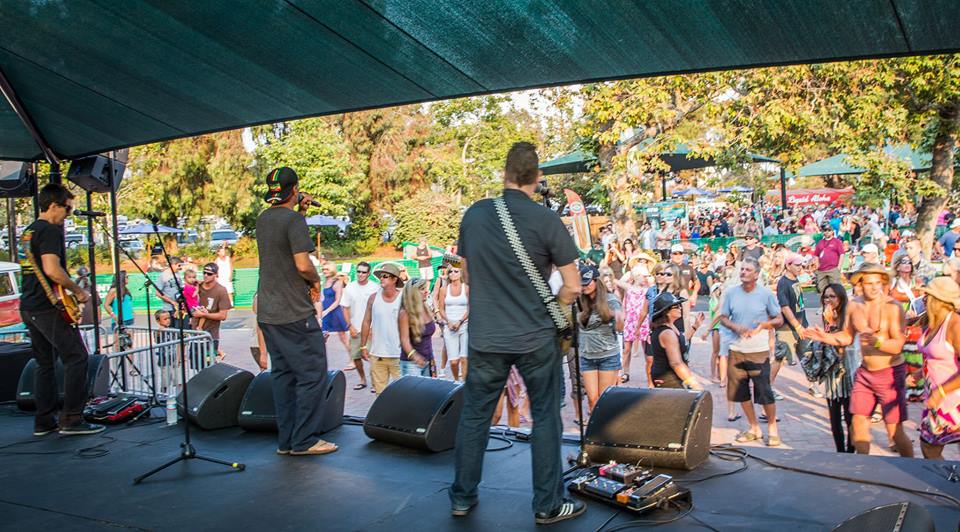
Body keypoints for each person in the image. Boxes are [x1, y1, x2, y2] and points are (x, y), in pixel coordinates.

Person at [450, 142, 584, 524]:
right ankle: (548, 504)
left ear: (505, 174)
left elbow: (468, 274)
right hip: (535, 338)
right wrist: (553, 308)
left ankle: (462, 496)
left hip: (486, 337)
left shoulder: (474, 215)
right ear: (537, 177)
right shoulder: (545, 220)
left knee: (475, 416)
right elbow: (573, 286)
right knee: (545, 416)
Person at [255, 166, 337, 456]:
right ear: (295, 189)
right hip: (293, 312)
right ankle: (304, 440)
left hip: (268, 311)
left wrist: (299, 211)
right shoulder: (293, 221)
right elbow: (302, 264)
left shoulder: (264, 219)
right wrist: (315, 281)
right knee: (313, 374)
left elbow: (283, 239)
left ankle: (287, 441)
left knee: (284, 375)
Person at [18, 183, 101, 436]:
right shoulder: (50, 231)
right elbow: (52, 270)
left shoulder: (29, 232)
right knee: (76, 357)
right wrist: (79, 291)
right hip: (46, 307)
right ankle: (72, 419)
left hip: (29, 305)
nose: (68, 214)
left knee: (45, 364)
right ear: (54, 205)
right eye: (67, 208)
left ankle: (44, 422)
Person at [805, 262, 912, 457]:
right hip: (865, 372)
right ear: (860, 283)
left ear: (883, 283)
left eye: (877, 283)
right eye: (868, 283)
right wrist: (825, 337)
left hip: (889, 373)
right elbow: (847, 336)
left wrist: (877, 342)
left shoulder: (893, 307)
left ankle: (913, 469)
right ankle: (863, 468)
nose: (873, 287)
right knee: (857, 425)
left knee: (894, 431)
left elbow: (897, 346)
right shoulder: (854, 305)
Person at [719, 258, 783, 447]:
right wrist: (736, 327)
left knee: (764, 391)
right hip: (736, 349)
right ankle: (754, 427)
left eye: (748, 269)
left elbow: (778, 319)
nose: (744, 272)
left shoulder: (765, 294)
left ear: (756, 274)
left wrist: (765, 325)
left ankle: (772, 428)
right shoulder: (731, 293)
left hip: (759, 351)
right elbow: (722, 317)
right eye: (742, 269)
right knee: (741, 392)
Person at [914, 277, 960, 459]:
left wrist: (941, 391)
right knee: (928, 447)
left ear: (940, 301)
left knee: (929, 446)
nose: (924, 298)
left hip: (952, 398)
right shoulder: (933, 321)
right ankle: (947, 483)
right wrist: (918, 374)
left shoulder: (955, 325)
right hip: (936, 397)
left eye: (928, 295)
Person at [810, 284, 858, 452]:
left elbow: (843, 340)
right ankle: (840, 451)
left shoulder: (848, 313)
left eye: (832, 296)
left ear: (841, 297)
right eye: (826, 297)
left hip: (847, 370)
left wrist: (830, 324)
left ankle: (851, 452)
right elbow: (827, 341)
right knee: (834, 416)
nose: (828, 300)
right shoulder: (827, 314)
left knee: (851, 416)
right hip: (832, 370)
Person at [576, 265, 623, 414]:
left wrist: (618, 317)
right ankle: (594, 436)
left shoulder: (610, 300)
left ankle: (604, 434)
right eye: (581, 283)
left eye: (587, 282)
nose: (584, 286)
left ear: (596, 281)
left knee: (604, 401)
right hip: (587, 356)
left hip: (607, 355)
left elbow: (620, 328)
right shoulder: (579, 302)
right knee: (592, 400)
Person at [776, 254, 819, 397]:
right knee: (779, 359)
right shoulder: (783, 282)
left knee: (807, 355)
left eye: (801, 265)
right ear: (788, 266)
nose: (800, 268)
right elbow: (785, 307)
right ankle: (767, 387)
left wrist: (803, 325)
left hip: (802, 325)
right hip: (788, 328)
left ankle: (813, 385)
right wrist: (797, 326)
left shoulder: (796, 279)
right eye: (797, 265)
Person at [361, 262, 404, 394]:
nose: (381, 279)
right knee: (380, 395)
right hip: (377, 354)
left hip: (399, 355)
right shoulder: (373, 298)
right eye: (381, 276)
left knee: (403, 394)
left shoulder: (403, 299)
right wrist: (363, 346)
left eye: (385, 276)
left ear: (394, 279)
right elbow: (366, 322)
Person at [649, 292, 704, 389]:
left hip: (669, 376)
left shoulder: (670, 326)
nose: (680, 308)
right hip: (667, 378)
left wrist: (695, 326)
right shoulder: (667, 333)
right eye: (676, 306)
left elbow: (681, 340)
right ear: (667, 311)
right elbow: (676, 363)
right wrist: (692, 382)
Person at [341, 261, 377, 390]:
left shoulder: (375, 287)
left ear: (368, 274)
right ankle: (362, 379)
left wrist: (375, 327)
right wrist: (350, 326)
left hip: (371, 329)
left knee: (373, 356)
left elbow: (378, 308)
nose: (360, 274)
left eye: (363, 272)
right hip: (355, 328)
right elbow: (344, 308)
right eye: (358, 271)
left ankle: (375, 383)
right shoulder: (349, 287)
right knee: (356, 356)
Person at [193, 263, 232, 363]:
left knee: (209, 365)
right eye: (204, 273)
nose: (206, 275)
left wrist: (204, 315)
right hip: (195, 334)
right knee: (197, 366)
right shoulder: (198, 286)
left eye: (209, 274)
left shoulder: (221, 290)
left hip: (210, 335)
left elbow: (223, 316)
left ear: (216, 275)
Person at [439, 264, 469, 383]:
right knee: (453, 361)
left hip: (464, 324)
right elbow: (441, 308)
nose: (453, 273)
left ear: (461, 273)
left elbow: (470, 307)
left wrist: (460, 321)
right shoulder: (444, 289)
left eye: (456, 271)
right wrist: (449, 321)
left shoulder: (466, 288)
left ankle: (464, 385)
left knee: (464, 358)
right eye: (450, 271)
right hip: (449, 325)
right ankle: (456, 380)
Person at [320, 262, 351, 360]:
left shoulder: (338, 282)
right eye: (323, 269)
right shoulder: (325, 281)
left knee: (343, 337)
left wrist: (326, 311)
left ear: (332, 269)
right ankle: (320, 362)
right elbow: (322, 298)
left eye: (327, 269)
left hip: (334, 312)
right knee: (321, 337)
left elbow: (337, 301)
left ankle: (354, 359)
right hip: (325, 312)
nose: (324, 271)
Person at [813, 222, 844, 293]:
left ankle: (837, 303)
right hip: (821, 270)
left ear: (832, 231)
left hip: (833, 269)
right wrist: (817, 265)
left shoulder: (837, 242)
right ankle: (824, 303)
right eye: (825, 230)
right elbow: (816, 255)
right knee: (822, 289)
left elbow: (842, 254)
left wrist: (839, 267)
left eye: (829, 230)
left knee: (835, 289)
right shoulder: (820, 242)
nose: (827, 232)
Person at [156, 256, 185, 329]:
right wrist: (172, 302)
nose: (180, 267)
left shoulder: (178, 274)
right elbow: (158, 293)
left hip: (178, 307)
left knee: (178, 328)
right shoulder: (163, 276)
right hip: (168, 308)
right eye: (179, 265)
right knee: (170, 328)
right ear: (173, 265)